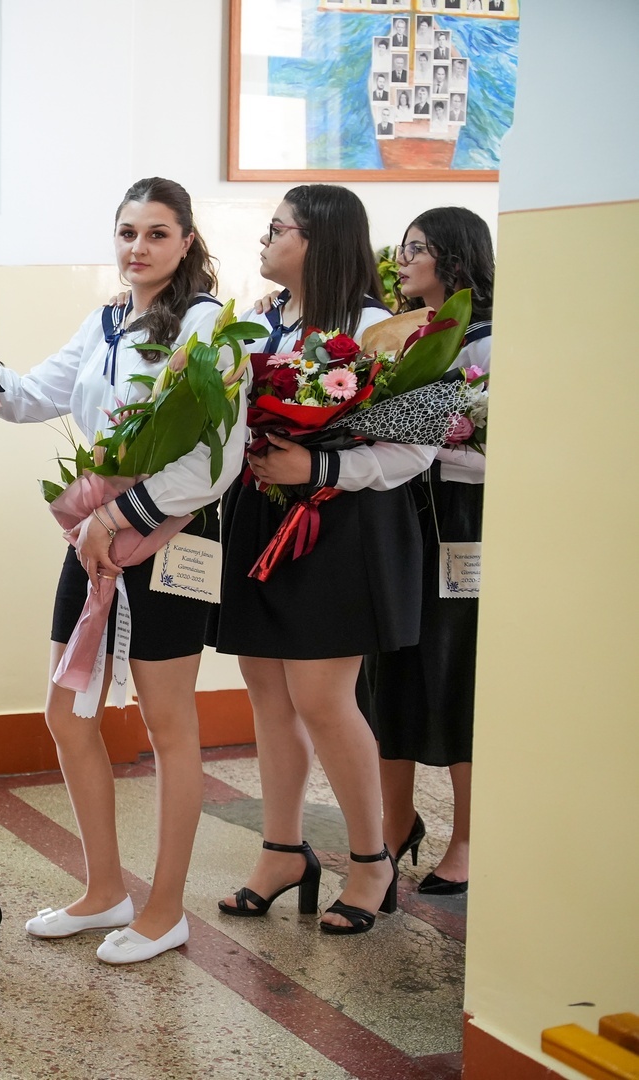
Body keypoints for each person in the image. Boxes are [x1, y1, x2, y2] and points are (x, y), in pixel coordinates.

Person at [0, 179, 244, 965]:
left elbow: (217, 460)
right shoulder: (105, 322)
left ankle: (165, 911)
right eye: (127, 231)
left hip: (169, 539)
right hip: (96, 543)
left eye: (157, 233)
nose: (139, 247)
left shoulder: (209, 329)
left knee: (169, 726)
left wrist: (123, 513)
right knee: (67, 713)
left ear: (187, 241)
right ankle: (105, 890)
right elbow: (32, 395)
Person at [214, 185, 434, 936]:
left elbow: (419, 446)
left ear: (317, 240)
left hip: (339, 523)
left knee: (322, 697)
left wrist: (321, 468)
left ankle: (373, 861)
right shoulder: (262, 322)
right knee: (267, 692)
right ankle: (282, 851)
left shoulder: (377, 328)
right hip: (261, 514)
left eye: (277, 228)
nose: (265, 239)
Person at [369, 207, 494, 896]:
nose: (403, 260)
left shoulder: (488, 341)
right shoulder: (403, 334)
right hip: (401, 514)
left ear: (454, 256)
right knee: (389, 668)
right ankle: (395, 823)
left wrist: (430, 436)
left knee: (453, 674)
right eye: (403, 247)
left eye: (416, 248)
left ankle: (469, 838)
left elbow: (497, 446)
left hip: (460, 522)